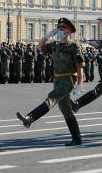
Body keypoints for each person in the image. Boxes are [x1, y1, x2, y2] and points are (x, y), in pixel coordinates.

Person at [16, 17, 84, 146]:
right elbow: (38, 47)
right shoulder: (55, 45)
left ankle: (30, 118)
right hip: (57, 79)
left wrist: (80, 84)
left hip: (69, 79)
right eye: (58, 29)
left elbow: (80, 66)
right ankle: (77, 138)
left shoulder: (74, 46)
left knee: (52, 97)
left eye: (62, 29)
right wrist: (49, 35)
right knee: (66, 110)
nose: (59, 31)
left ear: (69, 31)